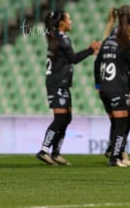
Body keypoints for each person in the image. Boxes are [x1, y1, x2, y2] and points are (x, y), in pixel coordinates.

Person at [37, 10, 100, 165]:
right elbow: (73, 58)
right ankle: (44, 150)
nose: (71, 21)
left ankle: (56, 153)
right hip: (57, 83)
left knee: (66, 118)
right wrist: (91, 50)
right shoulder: (62, 38)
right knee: (60, 118)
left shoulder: (56, 37)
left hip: (61, 83)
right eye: (69, 19)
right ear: (62, 23)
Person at [94, 5, 130, 167]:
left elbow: (97, 63)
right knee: (122, 124)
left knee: (117, 123)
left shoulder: (109, 40)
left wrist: (98, 84)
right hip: (119, 88)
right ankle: (115, 157)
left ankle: (117, 153)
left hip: (105, 89)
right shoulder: (125, 41)